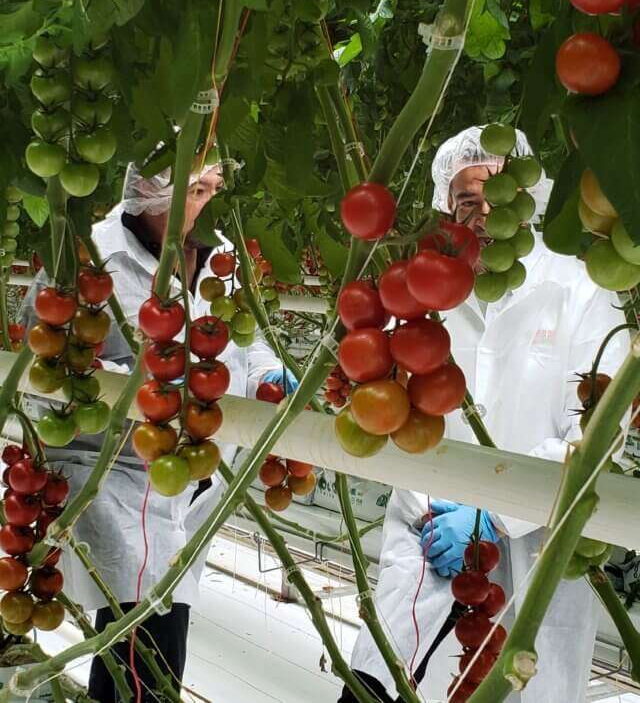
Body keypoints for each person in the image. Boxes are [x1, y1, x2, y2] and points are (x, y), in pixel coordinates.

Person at [341, 126, 630, 703]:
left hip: (533, 546)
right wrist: (442, 503)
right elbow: (406, 417)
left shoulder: (581, 289)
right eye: (465, 200)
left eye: (495, 195)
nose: (480, 214)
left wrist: (494, 513)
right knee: (387, 681)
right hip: (431, 536)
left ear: (529, 197)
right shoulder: (426, 295)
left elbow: (601, 433)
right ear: (445, 209)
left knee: (517, 680)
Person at [21, 162, 294, 701]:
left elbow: (248, 336)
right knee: (139, 648)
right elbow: (47, 368)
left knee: (154, 642)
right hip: (120, 479)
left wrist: (265, 372)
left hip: (192, 478)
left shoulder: (219, 259)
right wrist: (148, 385)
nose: (204, 203)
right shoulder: (87, 260)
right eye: (194, 190)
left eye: (211, 189)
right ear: (146, 193)